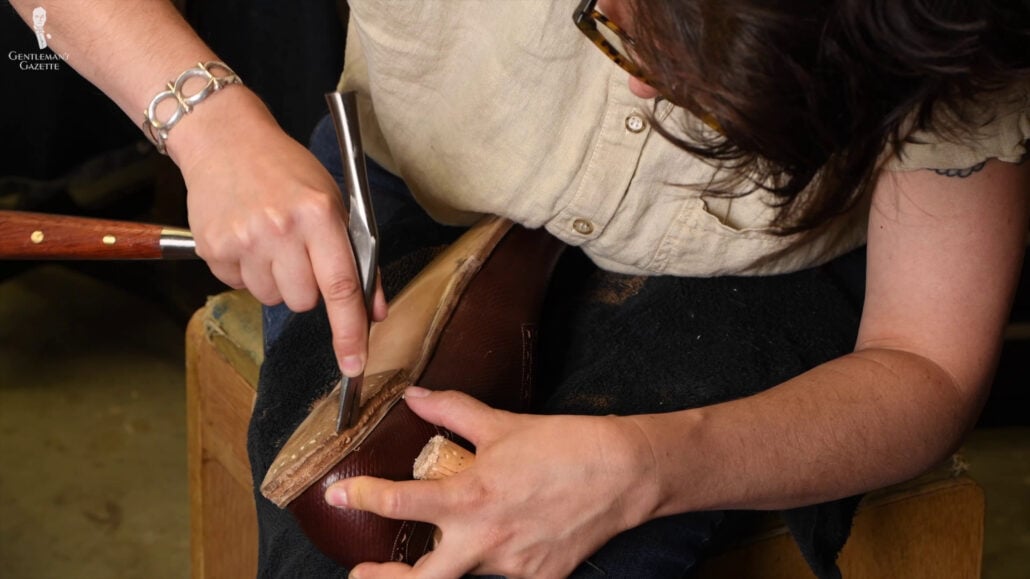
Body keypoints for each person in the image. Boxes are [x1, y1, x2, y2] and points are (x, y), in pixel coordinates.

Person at [13, 1, 1028, 578]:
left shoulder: (938, 30)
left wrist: (649, 467)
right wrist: (203, 120)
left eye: (706, 98)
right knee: (359, 537)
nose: (637, 84)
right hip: (414, 189)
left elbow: (927, 360)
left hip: (753, 279)